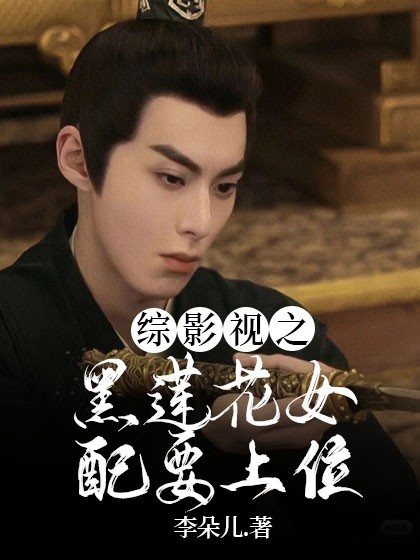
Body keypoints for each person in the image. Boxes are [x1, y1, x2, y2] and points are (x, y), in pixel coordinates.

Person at [0, 1, 418, 550]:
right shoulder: (11, 334)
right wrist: (215, 455)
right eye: (172, 178)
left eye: (224, 187)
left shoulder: (267, 327)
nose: (200, 223)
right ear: (79, 159)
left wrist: (317, 439)